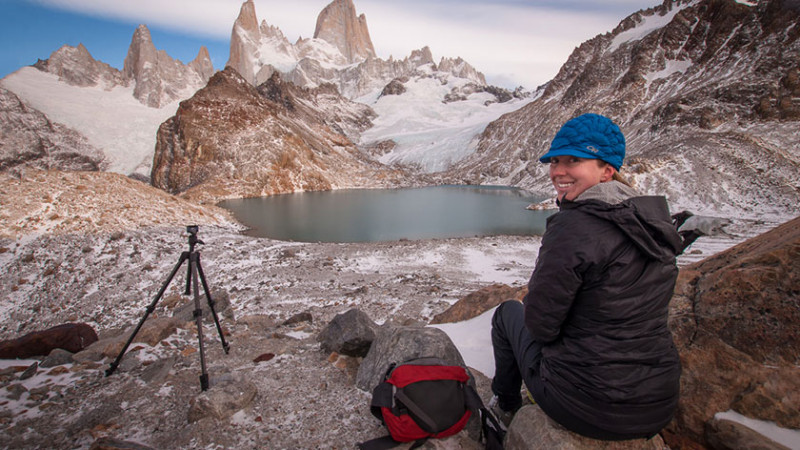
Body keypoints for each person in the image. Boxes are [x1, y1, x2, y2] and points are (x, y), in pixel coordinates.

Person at [490, 113, 683, 440]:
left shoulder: (575, 227)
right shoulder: (651, 223)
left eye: (573, 160)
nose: (558, 171)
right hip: (658, 405)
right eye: (554, 161)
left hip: (588, 406)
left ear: (607, 170)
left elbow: (539, 326)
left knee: (507, 314)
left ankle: (505, 406)